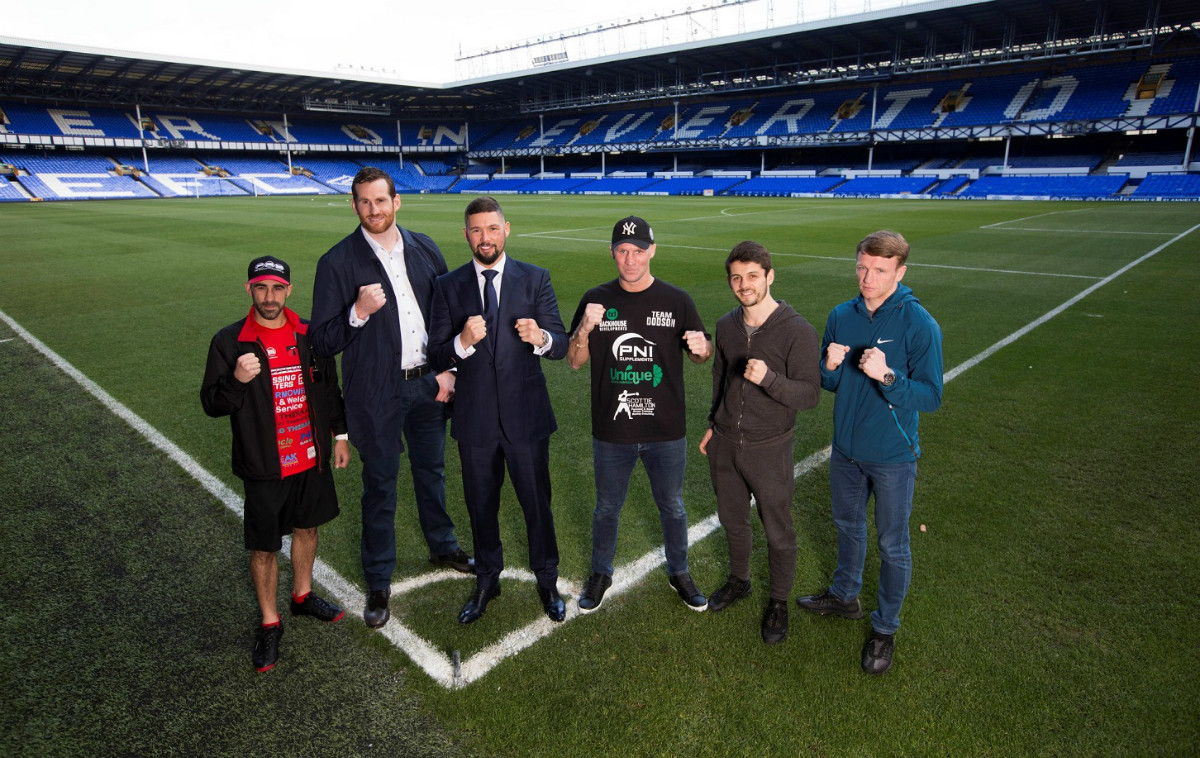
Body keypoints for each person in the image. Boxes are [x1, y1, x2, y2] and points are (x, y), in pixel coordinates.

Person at [310, 166, 472, 630]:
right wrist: (357, 314)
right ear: (354, 205)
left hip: (428, 383)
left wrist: (448, 368)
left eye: (381, 200)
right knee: (380, 486)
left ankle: (443, 546)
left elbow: (445, 317)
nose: (373, 209)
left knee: (432, 473)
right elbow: (321, 342)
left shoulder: (424, 248)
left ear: (396, 201)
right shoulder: (337, 262)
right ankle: (379, 580)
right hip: (376, 394)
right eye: (364, 201)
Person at [795, 230, 943, 675]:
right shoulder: (842, 314)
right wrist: (829, 366)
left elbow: (932, 396)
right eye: (861, 267)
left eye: (879, 270)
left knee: (893, 544)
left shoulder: (919, 324)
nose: (867, 277)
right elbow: (829, 383)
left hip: (893, 455)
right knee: (847, 526)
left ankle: (885, 628)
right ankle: (844, 596)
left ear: (900, 272)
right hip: (845, 450)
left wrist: (889, 376)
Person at [201, 255, 350, 672]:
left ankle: (302, 596)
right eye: (261, 288)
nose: (270, 297)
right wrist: (237, 380)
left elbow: (329, 388)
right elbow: (212, 403)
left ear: (289, 291)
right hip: (264, 464)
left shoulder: (309, 335)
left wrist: (339, 435)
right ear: (249, 290)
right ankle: (270, 622)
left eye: (277, 288)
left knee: (307, 527)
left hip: (309, 457)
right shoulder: (229, 341)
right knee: (265, 547)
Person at [428, 196, 569, 624]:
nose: (484, 237)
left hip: (526, 419)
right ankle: (488, 578)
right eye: (476, 230)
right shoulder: (448, 285)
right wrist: (462, 343)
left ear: (506, 230)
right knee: (481, 506)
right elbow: (436, 355)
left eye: (492, 228)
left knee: (536, 505)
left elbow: (560, 345)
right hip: (475, 420)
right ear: (466, 234)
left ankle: (547, 579)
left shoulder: (534, 278)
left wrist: (540, 336)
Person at [567, 215, 712, 613]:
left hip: (666, 429)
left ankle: (679, 571)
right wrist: (583, 329)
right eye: (622, 251)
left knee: (673, 505)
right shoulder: (596, 299)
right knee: (607, 507)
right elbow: (575, 361)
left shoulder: (677, 300)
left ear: (653, 251)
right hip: (613, 428)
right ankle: (601, 572)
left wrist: (702, 348)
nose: (630, 259)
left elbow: (701, 354)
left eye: (638, 251)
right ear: (612, 252)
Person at [699, 241, 821, 645]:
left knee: (777, 530)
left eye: (752, 276)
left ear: (770, 277)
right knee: (732, 519)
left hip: (770, 447)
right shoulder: (726, 324)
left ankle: (779, 602)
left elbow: (809, 395)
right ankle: (740, 580)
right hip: (726, 443)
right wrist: (712, 424)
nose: (743, 284)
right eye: (736, 277)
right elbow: (719, 378)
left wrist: (768, 378)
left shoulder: (798, 330)